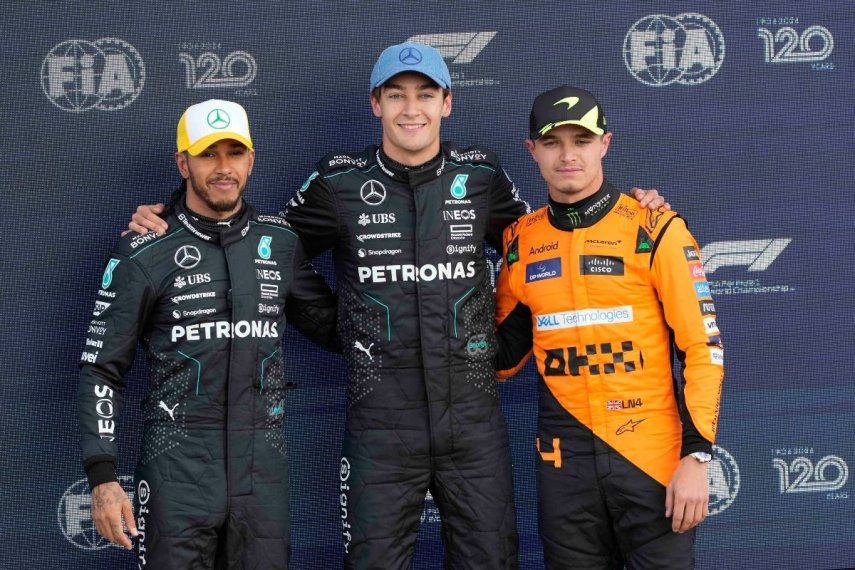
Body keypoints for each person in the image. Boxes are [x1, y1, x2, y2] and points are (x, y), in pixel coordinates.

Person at [126, 45, 667, 569]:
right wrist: (174, 218)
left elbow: (546, 242)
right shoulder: (339, 181)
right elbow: (261, 247)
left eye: (425, 94)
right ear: (375, 104)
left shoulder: (480, 176)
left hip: (473, 424)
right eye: (396, 95)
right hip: (380, 427)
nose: (412, 109)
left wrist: (625, 210)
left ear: (447, 103)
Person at [78, 99, 337, 569]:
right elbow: (101, 369)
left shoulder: (280, 243)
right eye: (207, 154)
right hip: (177, 467)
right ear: (183, 163)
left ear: (251, 160)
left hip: (261, 470)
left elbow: (335, 328)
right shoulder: (144, 249)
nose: (223, 168)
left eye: (234, 153)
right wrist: (102, 476)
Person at [495, 86, 724, 569]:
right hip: (565, 467)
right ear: (532, 150)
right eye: (553, 142)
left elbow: (702, 347)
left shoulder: (655, 228)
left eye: (581, 140)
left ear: (605, 143)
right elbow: (501, 357)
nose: (568, 155)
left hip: (652, 460)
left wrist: (698, 456)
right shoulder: (520, 242)